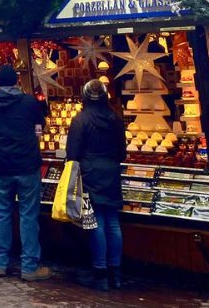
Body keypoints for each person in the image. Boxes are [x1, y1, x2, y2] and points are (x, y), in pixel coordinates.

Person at [0, 65, 50, 281]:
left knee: (2, 212)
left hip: (1, 165)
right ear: (16, 81)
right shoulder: (28, 102)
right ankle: (29, 266)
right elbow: (40, 123)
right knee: (28, 214)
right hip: (26, 164)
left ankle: (0, 263)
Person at [66, 79, 127, 291]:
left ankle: (100, 272)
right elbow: (122, 152)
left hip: (90, 173)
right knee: (112, 222)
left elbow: (72, 153)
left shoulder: (80, 120)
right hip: (111, 172)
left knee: (96, 222)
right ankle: (116, 272)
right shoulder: (116, 119)